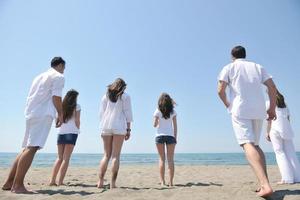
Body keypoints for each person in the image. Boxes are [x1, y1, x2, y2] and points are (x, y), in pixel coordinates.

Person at [217, 46, 277, 197]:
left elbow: (220, 90)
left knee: (247, 144)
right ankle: (264, 183)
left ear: (232, 56)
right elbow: (272, 87)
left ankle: (265, 185)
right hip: (259, 109)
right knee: (256, 145)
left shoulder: (229, 67)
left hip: (240, 109)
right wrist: (272, 109)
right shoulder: (257, 66)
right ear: (245, 55)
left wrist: (228, 105)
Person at [2, 57, 65, 193]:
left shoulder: (39, 76)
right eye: (63, 68)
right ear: (60, 65)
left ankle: (9, 182)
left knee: (26, 148)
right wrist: (60, 114)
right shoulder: (58, 76)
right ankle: (17, 185)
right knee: (32, 147)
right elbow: (56, 97)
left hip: (31, 113)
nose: (64, 71)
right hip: (43, 114)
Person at [97, 78, 133, 189]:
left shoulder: (105, 96)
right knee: (115, 156)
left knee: (106, 155)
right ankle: (112, 183)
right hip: (119, 126)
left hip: (106, 126)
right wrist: (128, 129)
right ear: (123, 87)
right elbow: (128, 114)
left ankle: (100, 182)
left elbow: (101, 113)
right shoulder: (125, 97)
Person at [266, 90, 300, 184]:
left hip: (275, 130)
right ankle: (298, 177)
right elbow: (288, 119)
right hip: (287, 130)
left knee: (279, 153)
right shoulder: (285, 105)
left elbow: (269, 120)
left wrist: (267, 132)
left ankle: (287, 178)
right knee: (291, 153)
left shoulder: (268, 103)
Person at [49, 89, 81, 186]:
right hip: (72, 133)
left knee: (59, 158)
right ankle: (60, 181)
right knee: (66, 159)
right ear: (74, 98)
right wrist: (78, 129)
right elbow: (77, 120)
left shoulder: (61, 106)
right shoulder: (77, 106)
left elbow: (57, 122)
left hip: (61, 133)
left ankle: (52, 181)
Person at [153, 93, 177, 187]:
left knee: (161, 159)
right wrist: (175, 137)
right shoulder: (173, 111)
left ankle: (162, 182)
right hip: (170, 136)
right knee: (170, 159)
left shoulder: (158, 110)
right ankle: (171, 182)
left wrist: (158, 121)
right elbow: (175, 126)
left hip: (159, 136)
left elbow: (154, 125)